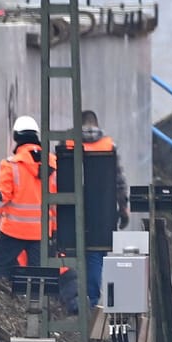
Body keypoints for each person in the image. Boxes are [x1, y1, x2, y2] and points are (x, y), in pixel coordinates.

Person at [0, 115, 79, 314]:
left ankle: (1, 309)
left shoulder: (10, 165)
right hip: (41, 233)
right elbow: (56, 202)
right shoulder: (53, 164)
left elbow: (1, 198)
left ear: (16, 137)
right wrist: (53, 230)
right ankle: (36, 313)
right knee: (38, 277)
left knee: (0, 270)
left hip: (12, 231)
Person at [59, 109, 126, 312]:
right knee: (95, 256)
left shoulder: (65, 144)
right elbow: (118, 181)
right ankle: (91, 300)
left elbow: (56, 180)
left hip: (69, 213)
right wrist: (123, 208)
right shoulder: (109, 145)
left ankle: (73, 301)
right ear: (96, 124)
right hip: (101, 215)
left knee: (68, 254)